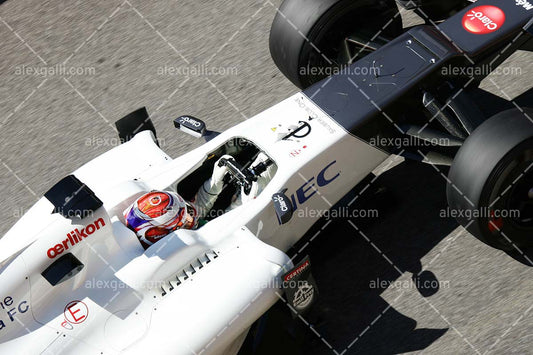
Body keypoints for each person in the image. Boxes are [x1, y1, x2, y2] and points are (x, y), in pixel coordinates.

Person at [124, 153, 274, 248]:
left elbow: (197, 213)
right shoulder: (180, 252)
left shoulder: (160, 232)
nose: (191, 213)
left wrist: (215, 181)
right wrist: (245, 204)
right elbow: (219, 233)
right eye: (186, 218)